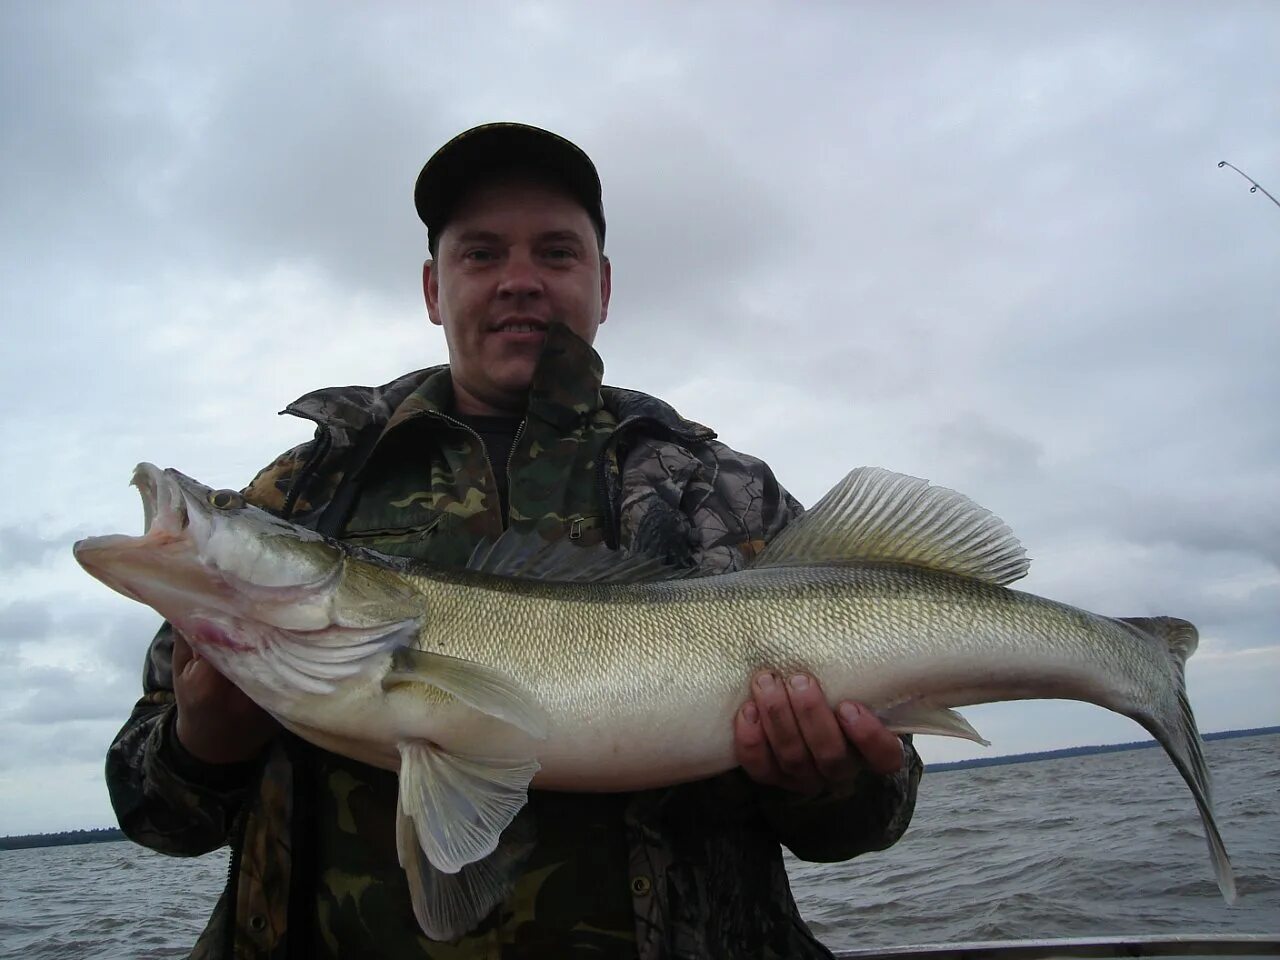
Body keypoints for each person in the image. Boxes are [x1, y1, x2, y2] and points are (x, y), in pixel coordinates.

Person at [106, 123, 923, 959]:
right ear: (433, 287)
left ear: (603, 284)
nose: (520, 282)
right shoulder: (300, 495)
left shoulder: (726, 493)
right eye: (482, 254)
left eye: (557, 254)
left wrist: (831, 783)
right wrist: (204, 743)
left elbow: (871, 819)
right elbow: (153, 815)